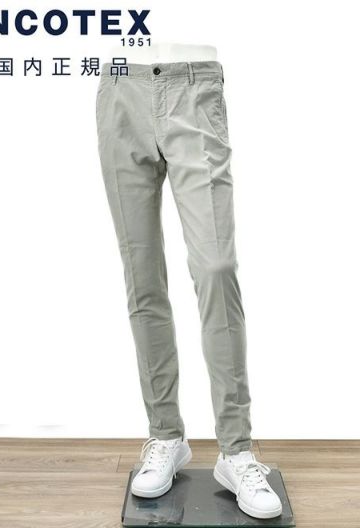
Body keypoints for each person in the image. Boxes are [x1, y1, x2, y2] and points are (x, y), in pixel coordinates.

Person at [96, 43, 282, 519]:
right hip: (121, 90)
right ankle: (165, 436)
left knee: (215, 267)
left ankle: (236, 450)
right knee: (142, 274)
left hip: (194, 88)